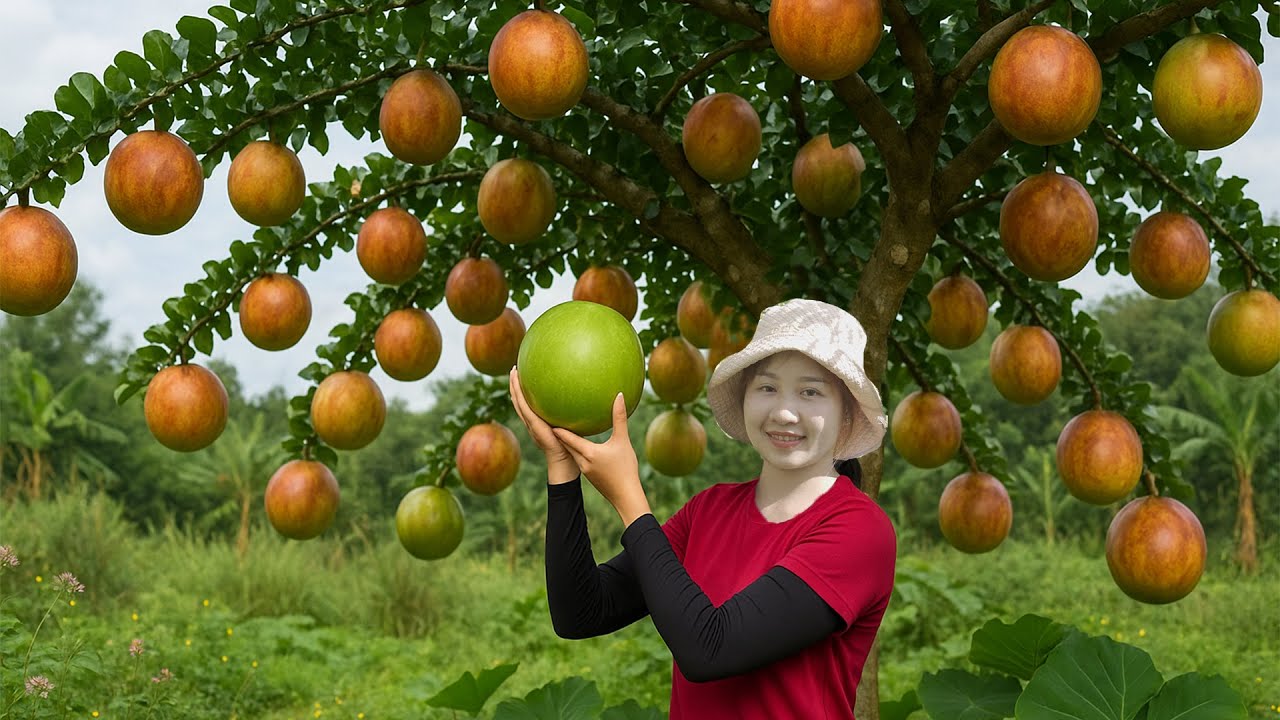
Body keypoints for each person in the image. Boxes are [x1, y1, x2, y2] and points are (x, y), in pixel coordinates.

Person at [508, 298, 897, 720]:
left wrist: (629, 499)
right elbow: (581, 613)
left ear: (845, 416)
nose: (785, 411)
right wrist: (562, 467)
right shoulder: (709, 510)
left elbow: (710, 649)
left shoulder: (860, 531)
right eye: (767, 387)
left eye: (810, 392)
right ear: (746, 397)